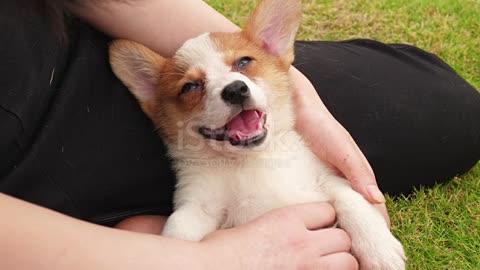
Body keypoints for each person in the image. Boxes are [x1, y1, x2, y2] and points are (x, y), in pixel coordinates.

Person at [0, 0, 478, 269]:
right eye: (193, 87)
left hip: (62, 56)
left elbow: (332, 188)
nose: (232, 85)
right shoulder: (196, 160)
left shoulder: (267, 90)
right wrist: (191, 263)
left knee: (453, 110)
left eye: (243, 65)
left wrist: (307, 101)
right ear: (156, 97)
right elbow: (195, 214)